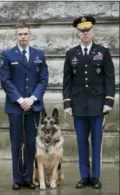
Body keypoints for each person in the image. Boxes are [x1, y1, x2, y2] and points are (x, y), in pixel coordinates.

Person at [62, 16, 115, 189]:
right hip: (78, 106)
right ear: (77, 33)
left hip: (98, 105)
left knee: (97, 143)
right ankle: (84, 176)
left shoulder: (103, 52)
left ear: (92, 31)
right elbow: (67, 81)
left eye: (88, 30)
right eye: (82, 30)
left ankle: (96, 176)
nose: (85, 33)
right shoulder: (71, 54)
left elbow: (109, 79)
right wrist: (67, 103)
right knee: (81, 142)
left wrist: (108, 101)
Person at [0, 22, 49, 190]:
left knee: (30, 143)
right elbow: (5, 80)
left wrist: (33, 98)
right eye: (20, 34)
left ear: (30, 35)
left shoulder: (39, 54)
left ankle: (28, 178)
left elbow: (43, 79)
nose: (23, 37)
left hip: (33, 107)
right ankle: (17, 178)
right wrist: (20, 100)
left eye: (25, 34)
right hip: (15, 107)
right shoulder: (7, 55)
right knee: (16, 143)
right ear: (16, 36)